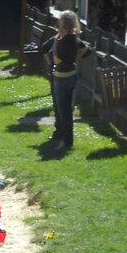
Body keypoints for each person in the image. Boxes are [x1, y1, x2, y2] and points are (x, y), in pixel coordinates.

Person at [39, 11, 91, 152]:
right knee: (66, 109)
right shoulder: (75, 38)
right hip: (72, 75)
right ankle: (65, 138)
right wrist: (75, 58)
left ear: (62, 23)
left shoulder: (61, 40)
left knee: (64, 111)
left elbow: (57, 60)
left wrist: (55, 47)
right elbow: (87, 49)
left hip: (61, 78)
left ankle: (67, 142)